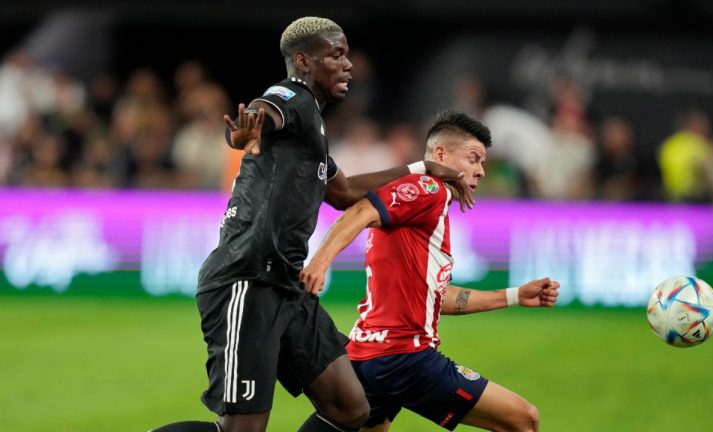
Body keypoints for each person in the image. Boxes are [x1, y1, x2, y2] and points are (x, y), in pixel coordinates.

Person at [151, 17, 472, 432]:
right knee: (241, 430)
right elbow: (267, 109)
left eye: (348, 54)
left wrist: (420, 167)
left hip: (286, 286)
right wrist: (247, 131)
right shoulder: (295, 98)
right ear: (303, 61)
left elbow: (344, 192)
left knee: (351, 407)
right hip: (246, 280)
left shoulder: (312, 131)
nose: (348, 64)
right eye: (335, 54)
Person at [300, 111, 561, 432]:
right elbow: (361, 211)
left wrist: (514, 295)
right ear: (440, 155)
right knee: (524, 420)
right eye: (473, 158)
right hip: (404, 357)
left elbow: (439, 297)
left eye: (483, 161)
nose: (480, 170)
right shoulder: (429, 189)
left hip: (368, 358)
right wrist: (319, 262)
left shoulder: (424, 213)